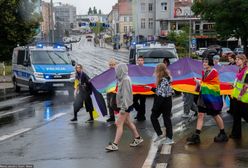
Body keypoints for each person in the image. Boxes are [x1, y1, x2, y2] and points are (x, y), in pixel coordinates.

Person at [186, 55, 228, 144]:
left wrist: (199, 82)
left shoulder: (214, 72)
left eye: (206, 62)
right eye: (203, 62)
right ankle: (196, 136)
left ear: (210, 62)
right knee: (200, 115)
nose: (204, 63)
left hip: (211, 97)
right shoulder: (205, 71)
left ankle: (223, 133)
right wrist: (199, 83)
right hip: (203, 96)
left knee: (215, 115)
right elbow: (205, 83)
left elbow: (213, 86)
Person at [105, 63, 143, 151]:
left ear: (121, 70)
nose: (116, 72)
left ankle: (115, 145)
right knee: (128, 122)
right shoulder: (123, 79)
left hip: (125, 106)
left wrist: (123, 109)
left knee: (118, 123)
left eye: (117, 70)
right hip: (126, 105)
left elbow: (126, 95)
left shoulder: (125, 80)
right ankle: (137, 138)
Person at [146, 63, 174, 145]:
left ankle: (169, 138)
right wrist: (151, 88)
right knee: (164, 119)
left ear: (159, 70)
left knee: (164, 119)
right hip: (167, 101)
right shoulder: (165, 78)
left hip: (164, 102)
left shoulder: (164, 80)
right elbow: (160, 91)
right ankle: (161, 134)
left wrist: (155, 108)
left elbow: (161, 95)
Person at [230, 54, 248, 139]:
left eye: (239, 59)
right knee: (236, 116)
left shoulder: (247, 71)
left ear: (244, 60)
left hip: (243, 98)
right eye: (236, 59)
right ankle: (236, 134)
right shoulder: (240, 70)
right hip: (236, 97)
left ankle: (236, 134)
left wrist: (240, 95)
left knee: (245, 115)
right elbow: (238, 83)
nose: (236, 60)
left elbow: (246, 86)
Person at [133, 56, 147, 121]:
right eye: (139, 60)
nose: (140, 61)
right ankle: (140, 112)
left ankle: (142, 115)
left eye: (141, 60)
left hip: (143, 88)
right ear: (137, 61)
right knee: (134, 101)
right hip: (136, 88)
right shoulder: (135, 69)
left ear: (143, 61)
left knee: (142, 102)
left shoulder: (146, 69)